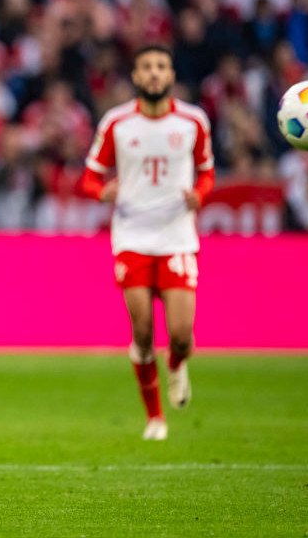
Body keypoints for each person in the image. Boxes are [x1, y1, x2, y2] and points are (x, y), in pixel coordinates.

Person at [76, 45, 214, 441]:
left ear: (170, 74)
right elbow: (89, 177)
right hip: (132, 236)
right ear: (136, 77)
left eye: (161, 67)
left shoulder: (193, 121)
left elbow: (207, 173)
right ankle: (155, 417)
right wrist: (101, 192)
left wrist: (199, 196)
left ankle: (176, 365)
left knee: (182, 335)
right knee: (141, 332)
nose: (154, 74)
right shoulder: (118, 123)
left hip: (177, 237)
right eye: (147, 68)